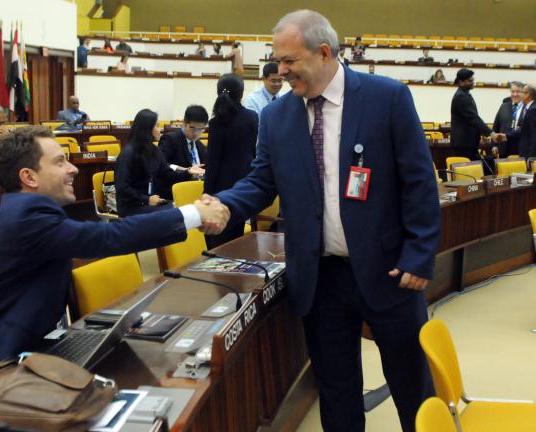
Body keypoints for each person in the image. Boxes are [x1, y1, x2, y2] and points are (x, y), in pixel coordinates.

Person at [206, 10, 440, 431]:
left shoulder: (387, 98)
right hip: (321, 277)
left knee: (412, 384)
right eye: (277, 61)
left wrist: (420, 252)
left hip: (389, 271)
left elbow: (419, 181)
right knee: (336, 389)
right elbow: (262, 180)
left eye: (289, 61)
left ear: (325, 53)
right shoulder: (276, 116)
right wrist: (224, 205)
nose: (280, 71)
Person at [0, 126, 229, 390]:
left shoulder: (31, 211)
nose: (72, 169)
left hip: (23, 358)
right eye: (60, 162)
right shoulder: (25, 218)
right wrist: (193, 213)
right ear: (29, 176)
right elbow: (110, 237)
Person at [115, 109, 205, 216]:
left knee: (183, 208)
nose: (160, 130)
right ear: (147, 129)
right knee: (175, 214)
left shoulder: (154, 150)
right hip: (131, 206)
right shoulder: (128, 153)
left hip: (150, 201)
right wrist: (146, 199)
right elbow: (122, 188)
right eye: (156, 126)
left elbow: (168, 175)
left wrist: (188, 172)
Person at [204, 74, 258, 249]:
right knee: (236, 237)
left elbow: (213, 161)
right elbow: (254, 152)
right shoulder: (251, 117)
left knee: (218, 239)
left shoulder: (216, 122)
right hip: (244, 184)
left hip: (221, 187)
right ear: (241, 94)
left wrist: (207, 192)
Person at [450, 68, 501, 160]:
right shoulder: (461, 96)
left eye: (473, 80)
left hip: (468, 142)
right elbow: (474, 118)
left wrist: (482, 133)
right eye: (470, 81)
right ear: (461, 82)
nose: (473, 82)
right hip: (463, 143)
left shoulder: (465, 94)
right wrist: (491, 133)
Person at [505, 84, 536, 159]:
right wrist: (506, 135)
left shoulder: (534, 110)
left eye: (522, 92)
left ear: (528, 94)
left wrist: (532, 158)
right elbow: (525, 129)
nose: (520, 94)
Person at [159, 104, 209, 170]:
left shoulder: (200, 146)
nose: (196, 133)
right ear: (184, 123)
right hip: (178, 179)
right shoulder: (170, 139)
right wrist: (185, 170)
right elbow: (161, 163)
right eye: (192, 128)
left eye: (200, 129)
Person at [492, 81, 524, 158]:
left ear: (523, 93)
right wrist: (494, 145)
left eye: (518, 92)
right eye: (513, 91)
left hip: (520, 148)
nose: (515, 94)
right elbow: (496, 127)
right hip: (504, 148)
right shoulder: (504, 106)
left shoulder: (527, 107)